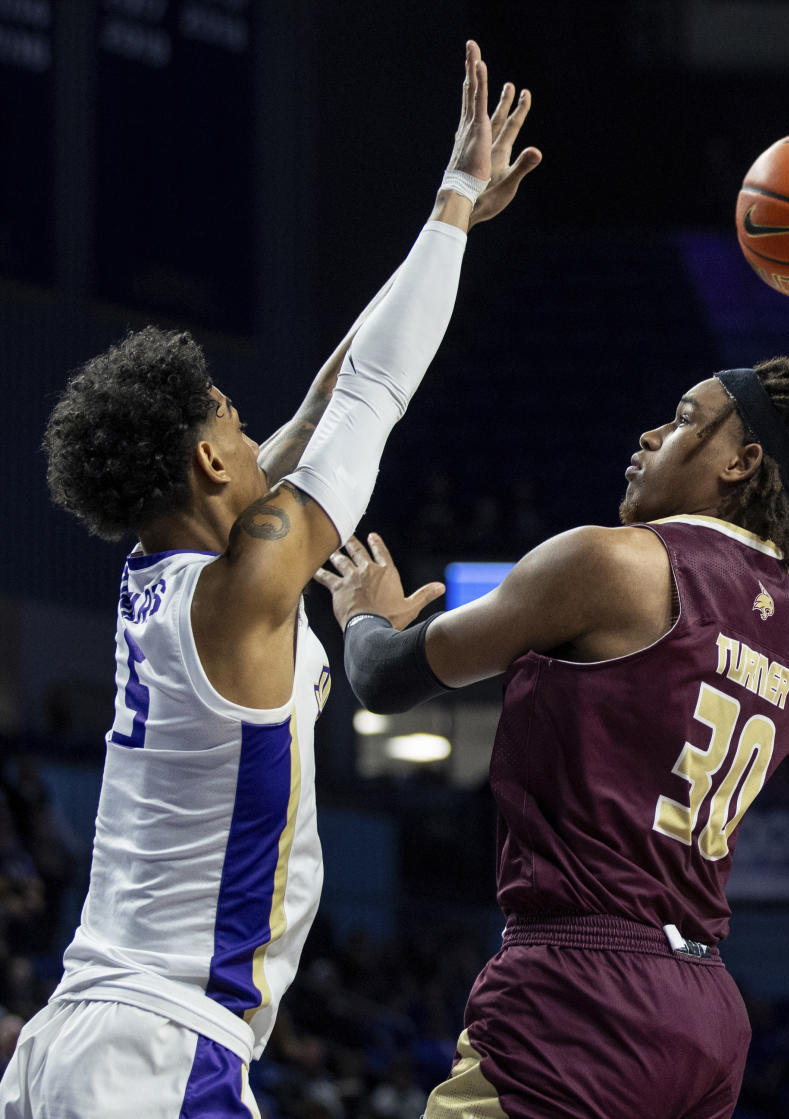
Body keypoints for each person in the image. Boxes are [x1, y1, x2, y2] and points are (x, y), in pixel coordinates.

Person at [0, 40, 541, 1118]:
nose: (257, 436)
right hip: (157, 1052)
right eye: (234, 426)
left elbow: (328, 391)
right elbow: (376, 392)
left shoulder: (163, 572)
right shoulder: (244, 586)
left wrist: (448, 232)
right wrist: (449, 194)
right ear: (207, 463)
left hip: (77, 1040)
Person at [316, 210, 789, 1119]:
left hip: (577, 987)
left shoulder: (611, 563)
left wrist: (362, 614)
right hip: (705, 1013)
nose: (648, 434)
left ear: (741, 460)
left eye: (682, 421)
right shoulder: (787, 605)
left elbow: (386, 678)